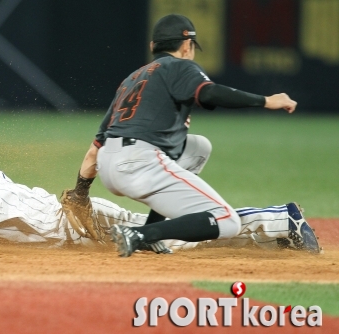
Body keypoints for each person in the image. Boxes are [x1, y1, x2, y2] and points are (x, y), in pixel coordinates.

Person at [0, 122, 319, 255]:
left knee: (176, 236)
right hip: (79, 233)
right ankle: (274, 229)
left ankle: (282, 218)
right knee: (177, 245)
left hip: (82, 221)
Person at [62, 13, 321, 257]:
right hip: (139, 163)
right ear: (186, 45)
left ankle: (151, 236)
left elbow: (95, 149)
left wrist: (80, 193)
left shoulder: (132, 79)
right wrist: (266, 100)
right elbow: (209, 93)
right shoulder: (179, 67)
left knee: (198, 147)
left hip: (110, 165)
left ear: (154, 45)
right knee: (226, 220)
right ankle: (140, 234)